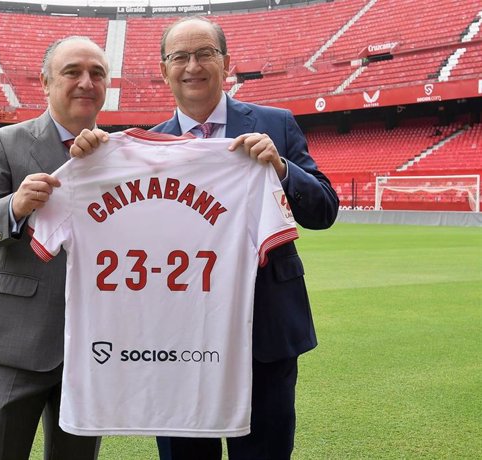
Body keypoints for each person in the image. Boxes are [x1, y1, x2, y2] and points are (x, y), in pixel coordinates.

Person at [70, 16, 339, 460]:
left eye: (204, 54)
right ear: (164, 69)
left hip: (265, 330)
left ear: (226, 63)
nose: (192, 66)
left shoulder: (275, 124)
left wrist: (281, 169)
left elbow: (324, 210)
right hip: (177, 341)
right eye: (180, 57)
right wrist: (93, 163)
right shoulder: (141, 148)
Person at [0, 36, 108, 460]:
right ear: (45, 82)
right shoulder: (4, 143)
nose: (86, 82)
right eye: (72, 72)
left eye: (97, 73)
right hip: (12, 343)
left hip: (90, 348)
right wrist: (15, 207)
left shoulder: (117, 155)